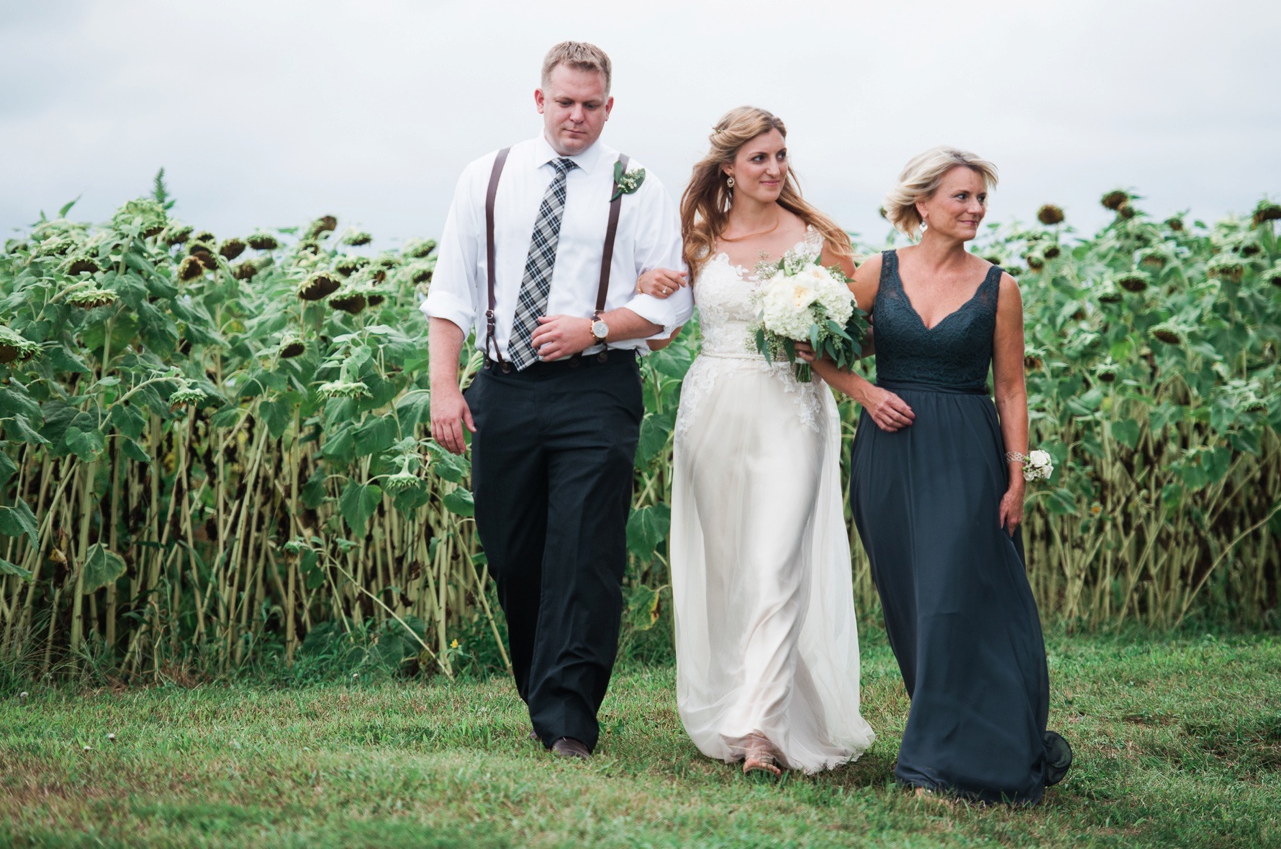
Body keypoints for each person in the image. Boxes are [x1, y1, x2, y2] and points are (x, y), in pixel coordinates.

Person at [422, 42, 693, 759]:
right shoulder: (487, 177)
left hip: (597, 389)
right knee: (513, 552)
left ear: (610, 106)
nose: (578, 116)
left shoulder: (638, 184)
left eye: (592, 104)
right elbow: (450, 290)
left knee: (583, 550)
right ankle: (544, 688)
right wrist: (445, 388)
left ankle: (569, 719)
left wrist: (595, 327)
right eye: (565, 102)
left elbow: (670, 303)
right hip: (502, 388)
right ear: (540, 100)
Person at [804, 146, 1072, 802]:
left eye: (981, 199)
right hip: (889, 455)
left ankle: (932, 762)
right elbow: (816, 347)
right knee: (915, 605)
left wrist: (1016, 478)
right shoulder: (878, 272)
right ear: (923, 204)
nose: (975, 209)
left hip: (967, 453)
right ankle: (954, 733)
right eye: (962, 197)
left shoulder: (999, 286)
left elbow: (1010, 389)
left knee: (954, 597)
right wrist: (864, 393)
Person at [642, 107, 875, 778]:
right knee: (728, 568)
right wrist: (645, 288)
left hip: (792, 405)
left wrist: (822, 336)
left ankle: (764, 734)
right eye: (759, 159)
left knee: (777, 562)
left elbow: (850, 334)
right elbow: (659, 335)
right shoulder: (696, 240)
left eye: (780, 155)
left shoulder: (820, 238)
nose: (774, 169)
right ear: (728, 169)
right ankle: (736, 703)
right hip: (713, 406)